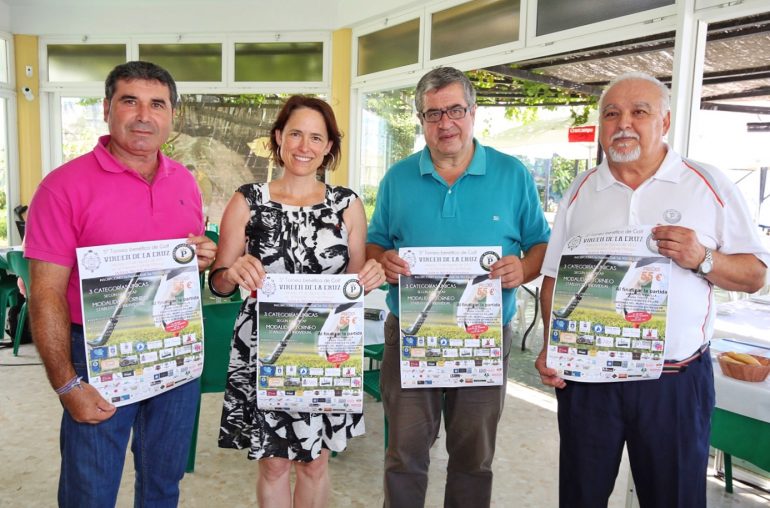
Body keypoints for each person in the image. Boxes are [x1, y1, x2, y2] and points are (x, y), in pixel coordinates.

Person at [535, 72, 770, 507]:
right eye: (611, 114)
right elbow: (553, 279)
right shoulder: (582, 189)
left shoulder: (708, 183)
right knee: (580, 496)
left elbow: (755, 275)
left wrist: (702, 257)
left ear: (664, 121)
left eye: (638, 111)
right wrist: (553, 345)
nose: (624, 123)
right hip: (589, 378)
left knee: (674, 498)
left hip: (673, 383)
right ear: (602, 126)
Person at [25, 61, 217, 507]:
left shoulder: (184, 181)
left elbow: (177, 269)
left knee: (163, 484)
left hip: (173, 354)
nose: (144, 116)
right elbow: (46, 293)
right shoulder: (62, 188)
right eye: (130, 101)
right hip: (96, 355)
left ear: (172, 116)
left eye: (157, 104)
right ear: (107, 108)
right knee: (90, 490)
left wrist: (199, 260)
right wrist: (66, 384)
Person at [366, 67, 551, 508]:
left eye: (454, 110)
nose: (445, 123)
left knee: (473, 456)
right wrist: (381, 260)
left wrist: (522, 270)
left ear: (473, 112)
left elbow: (542, 242)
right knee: (404, 455)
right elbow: (375, 242)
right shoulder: (397, 178)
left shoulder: (512, 174)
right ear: (420, 119)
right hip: (411, 333)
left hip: (482, 336)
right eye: (433, 114)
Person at [210, 95, 385, 508]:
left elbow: (353, 286)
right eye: (295, 134)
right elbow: (218, 282)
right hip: (263, 349)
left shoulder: (348, 205)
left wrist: (371, 277)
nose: (304, 146)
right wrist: (231, 273)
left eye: (316, 137)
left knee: (315, 462)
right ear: (278, 138)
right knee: (272, 465)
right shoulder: (247, 200)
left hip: (326, 351)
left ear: (328, 147)